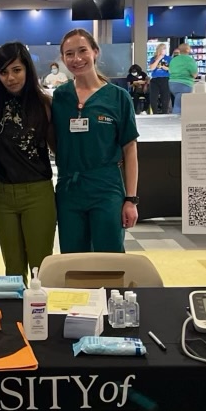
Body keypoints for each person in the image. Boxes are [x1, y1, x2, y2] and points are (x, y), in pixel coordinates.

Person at [52, 28, 139, 253]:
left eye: (82, 51)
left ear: (95, 52)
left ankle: (112, 291)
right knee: (73, 259)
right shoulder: (60, 97)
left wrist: (131, 199)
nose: (77, 58)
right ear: (63, 59)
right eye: (69, 54)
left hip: (106, 188)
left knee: (109, 257)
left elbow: (130, 150)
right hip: (69, 190)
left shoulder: (118, 97)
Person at [0, 42, 56, 284]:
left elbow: (60, 149)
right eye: (3, 72)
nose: (10, 78)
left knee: (40, 268)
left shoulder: (45, 104)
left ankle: (41, 320)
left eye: (16, 70)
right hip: (3, 194)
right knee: (13, 270)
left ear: (27, 69)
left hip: (38, 193)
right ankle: (16, 320)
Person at [168, 43, 198, 114]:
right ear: (187, 50)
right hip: (184, 84)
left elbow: (169, 71)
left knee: (179, 101)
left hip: (172, 84)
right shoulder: (189, 60)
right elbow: (194, 74)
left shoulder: (173, 60)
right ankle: (177, 121)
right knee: (179, 106)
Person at [148, 43, 172, 114]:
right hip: (155, 79)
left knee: (165, 97)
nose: (165, 50)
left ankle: (164, 112)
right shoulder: (153, 59)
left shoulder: (169, 58)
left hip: (165, 78)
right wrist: (158, 59)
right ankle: (155, 112)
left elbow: (171, 69)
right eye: (163, 49)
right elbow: (152, 68)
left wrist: (165, 67)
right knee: (153, 97)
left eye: (165, 48)